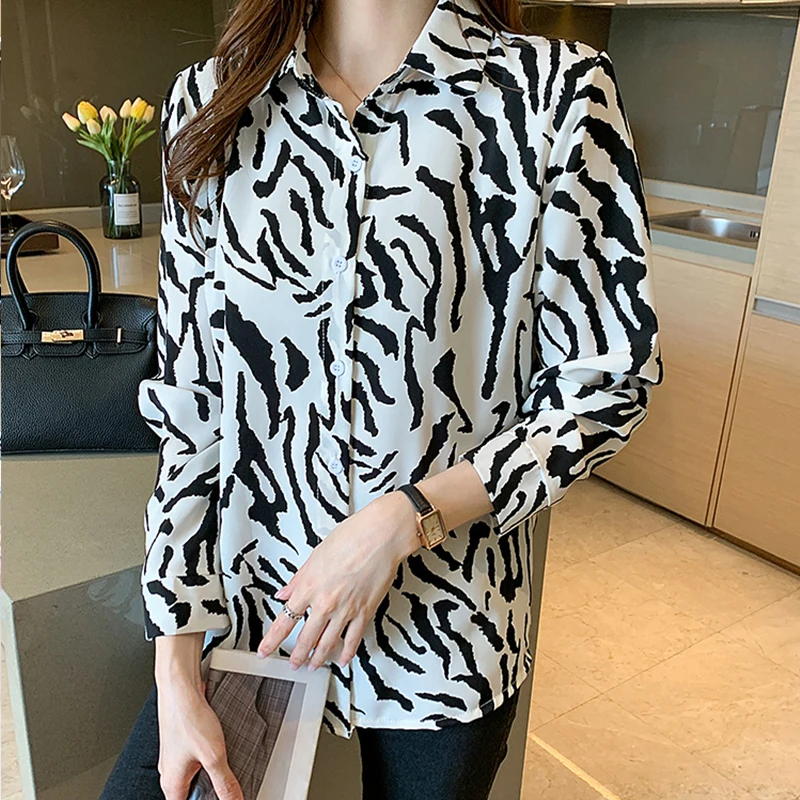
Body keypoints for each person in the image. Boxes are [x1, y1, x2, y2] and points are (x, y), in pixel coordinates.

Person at [101, 0, 663, 798]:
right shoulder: (212, 101)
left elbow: (606, 382)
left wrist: (405, 520)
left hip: (450, 631)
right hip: (254, 610)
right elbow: (192, 409)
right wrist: (174, 668)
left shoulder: (555, 95)